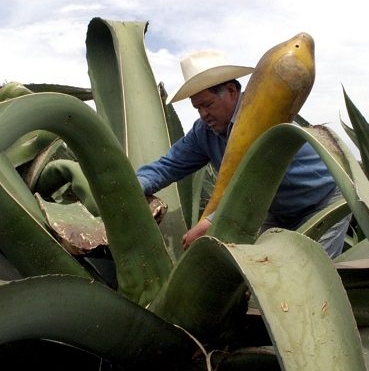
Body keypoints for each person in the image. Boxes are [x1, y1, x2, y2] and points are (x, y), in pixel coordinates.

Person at [137, 50, 351, 258]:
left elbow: (260, 180)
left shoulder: (267, 115)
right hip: (276, 211)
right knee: (261, 270)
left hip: (323, 200)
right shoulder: (203, 132)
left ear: (231, 91)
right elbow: (169, 165)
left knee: (310, 274)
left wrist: (211, 221)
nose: (203, 114)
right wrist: (136, 186)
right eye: (197, 108)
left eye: (207, 104)